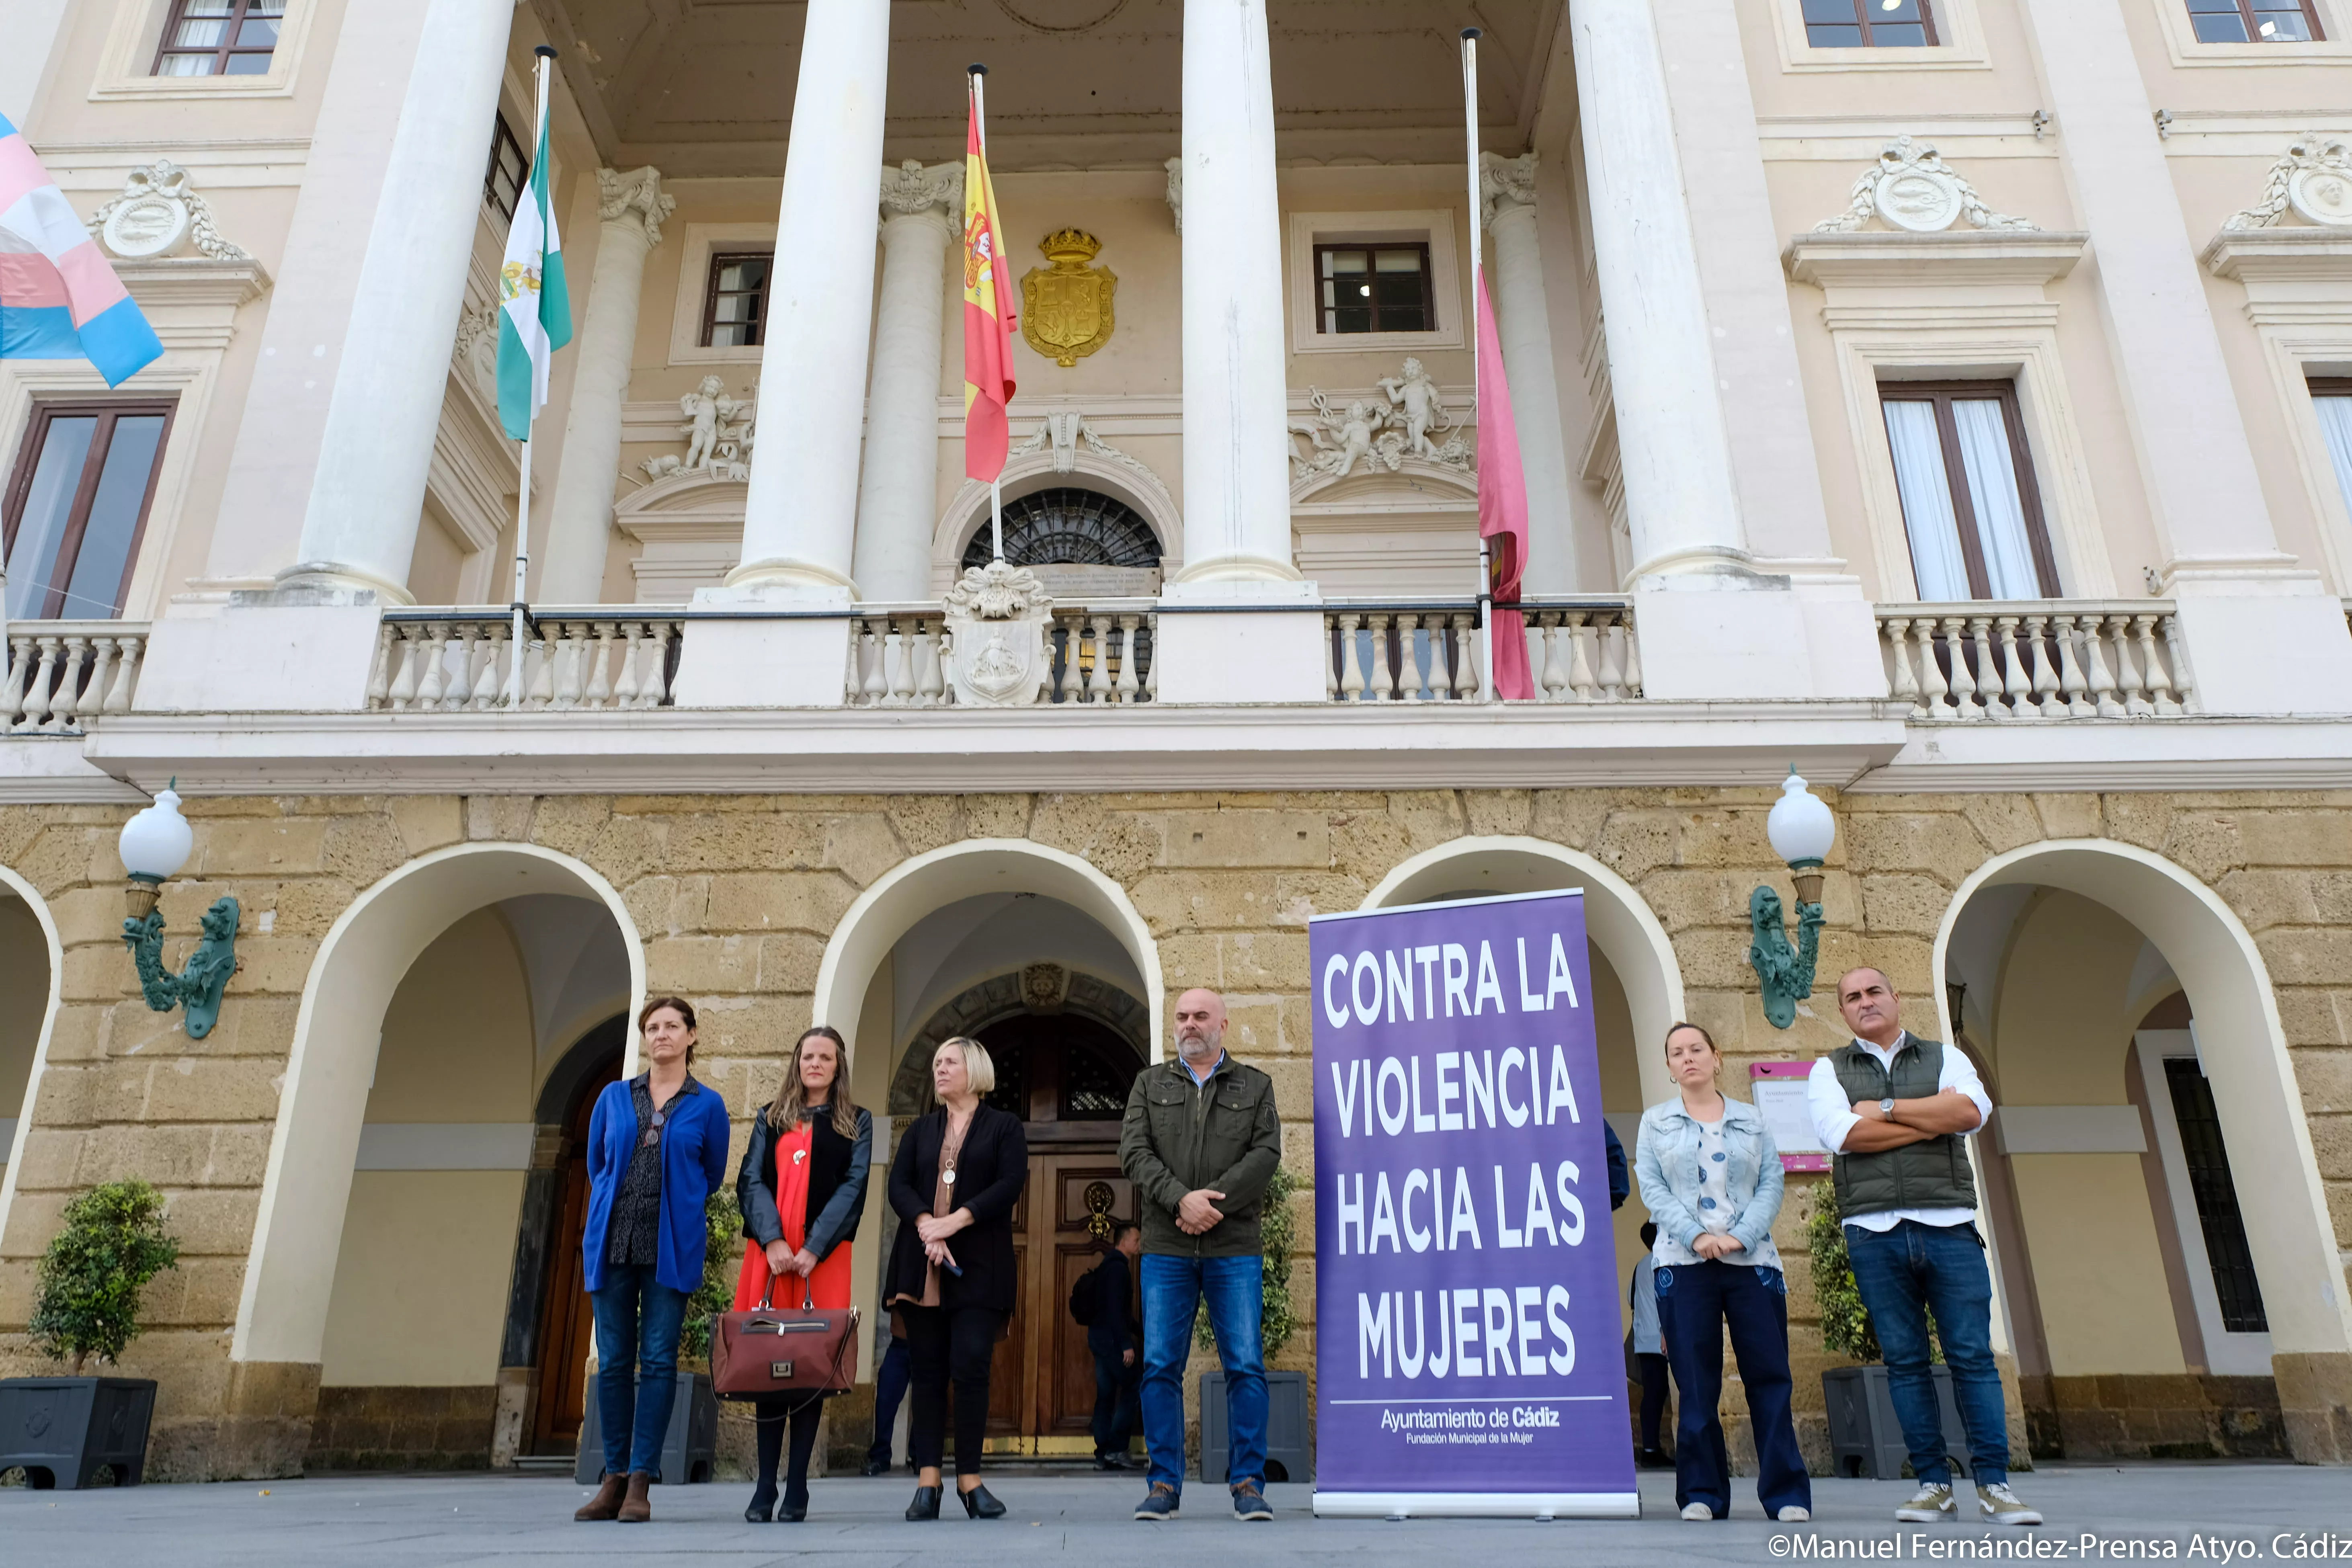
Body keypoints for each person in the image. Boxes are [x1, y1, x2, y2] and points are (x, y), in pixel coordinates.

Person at [1807, 968, 2041, 1527]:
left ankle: (1994, 1485)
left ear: (1896, 998)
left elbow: (1969, 1113)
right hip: (1873, 1231)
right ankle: (1933, 1485)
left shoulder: (1946, 1057)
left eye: (1874, 992)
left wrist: (1884, 1109)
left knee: (1972, 1357)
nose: (1865, 1002)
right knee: (1905, 1362)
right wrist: (1928, 1119)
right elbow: (1842, 1135)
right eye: (1852, 997)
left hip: (1948, 1225)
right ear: (1842, 1011)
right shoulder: (1827, 1069)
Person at [1635, 1021, 1811, 1525]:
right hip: (1682, 1264)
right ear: (1669, 1067)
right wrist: (1697, 1235)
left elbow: (1772, 1182)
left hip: (1752, 1263)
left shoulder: (1751, 1119)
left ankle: (1786, 1493)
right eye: (1677, 1052)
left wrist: (1741, 1236)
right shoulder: (1655, 1122)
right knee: (1695, 1384)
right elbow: (1652, 1187)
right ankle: (1702, 1492)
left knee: (1770, 1377)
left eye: (1696, 1049)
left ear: (1716, 1057)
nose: (1687, 1058)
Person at [1120, 987, 1283, 1524]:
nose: (1189, 1024)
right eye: (1182, 1016)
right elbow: (1133, 1152)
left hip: (1232, 1247)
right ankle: (1163, 1484)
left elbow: (1265, 1154)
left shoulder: (1255, 1086)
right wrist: (1179, 1200)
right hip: (1167, 1248)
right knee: (1159, 1366)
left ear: (1222, 1025)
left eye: (1200, 1016)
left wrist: (1212, 1204)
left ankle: (1248, 1484)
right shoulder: (1149, 1084)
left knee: (1245, 1365)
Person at [574, 996, 732, 1525]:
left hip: (670, 1246)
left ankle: (642, 1479)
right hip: (613, 1241)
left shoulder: (707, 1104)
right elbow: (598, 1164)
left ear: (691, 1035)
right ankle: (613, 1477)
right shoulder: (614, 1097)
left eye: (671, 1026)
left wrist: (676, 1206)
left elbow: (711, 1173)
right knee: (615, 1361)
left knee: (660, 1360)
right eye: (652, 1027)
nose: (660, 1034)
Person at [884, 1035, 1029, 1521]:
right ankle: (928, 1480)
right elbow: (898, 1184)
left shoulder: (1004, 1126)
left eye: (950, 1062)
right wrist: (928, 1224)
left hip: (979, 1266)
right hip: (920, 1262)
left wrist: (955, 1222)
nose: (940, 1069)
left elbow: (1009, 1183)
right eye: (937, 1063)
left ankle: (970, 1478)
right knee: (926, 1372)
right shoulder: (920, 1129)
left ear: (975, 1070)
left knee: (970, 1366)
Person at [734, 1025, 873, 1523]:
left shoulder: (857, 1121)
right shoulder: (770, 1116)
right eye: (808, 1056)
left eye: (825, 1057)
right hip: (770, 1258)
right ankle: (764, 1486)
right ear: (797, 1062)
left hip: (823, 1259)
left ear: (838, 1066)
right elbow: (750, 1179)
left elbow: (855, 1184)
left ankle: (797, 1486)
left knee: (809, 1366)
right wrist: (773, 1239)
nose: (815, 1064)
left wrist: (814, 1247)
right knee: (768, 1364)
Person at [1080, 1220, 1143, 1469]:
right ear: (1124, 1242)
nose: (1139, 1244)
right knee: (1134, 1386)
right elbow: (1117, 1311)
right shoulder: (1118, 1269)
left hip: (1099, 1339)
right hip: (1111, 1341)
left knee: (1106, 1395)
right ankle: (1117, 1449)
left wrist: (1142, 1333)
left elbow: (1118, 1312)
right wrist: (1127, 1344)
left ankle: (1102, 1454)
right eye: (1136, 1240)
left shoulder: (1107, 1267)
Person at [1630, 1221, 1670, 1468]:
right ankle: (1652, 1451)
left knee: (1652, 1395)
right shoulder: (1663, 1261)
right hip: (1662, 1340)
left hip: (1643, 1340)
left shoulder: (1640, 1266)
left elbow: (1630, 1297)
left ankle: (1650, 1448)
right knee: (1658, 1395)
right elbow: (1667, 1299)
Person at [862, 1313, 912, 1476]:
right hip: (899, 1343)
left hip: (929, 1343)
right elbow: (887, 1303)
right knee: (885, 1397)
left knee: (927, 1400)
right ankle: (880, 1457)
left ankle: (921, 1458)